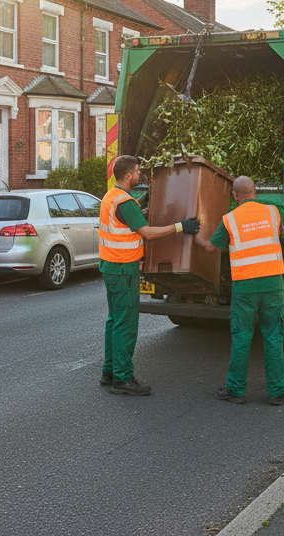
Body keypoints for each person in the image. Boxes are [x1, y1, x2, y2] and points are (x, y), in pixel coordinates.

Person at [99, 155, 199, 396]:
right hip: (124, 269)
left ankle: (110, 371)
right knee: (126, 323)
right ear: (127, 175)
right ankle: (122, 378)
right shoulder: (125, 202)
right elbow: (147, 233)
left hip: (110, 267)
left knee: (114, 321)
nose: (139, 173)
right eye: (136, 170)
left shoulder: (110, 197)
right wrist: (180, 226)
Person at [196, 176, 284, 406]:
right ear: (255, 191)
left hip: (245, 288)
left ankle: (236, 391)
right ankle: (277, 392)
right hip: (272, 286)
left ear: (235, 196)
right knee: (273, 338)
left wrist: (195, 237)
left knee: (241, 338)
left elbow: (210, 248)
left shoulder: (229, 220)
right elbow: (283, 237)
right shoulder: (273, 212)